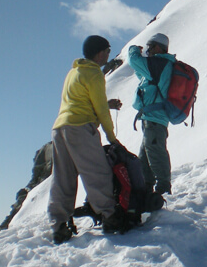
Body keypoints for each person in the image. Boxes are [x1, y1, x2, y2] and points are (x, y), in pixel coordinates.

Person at [48, 35, 125, 244]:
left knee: (63, 177)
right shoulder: (93, 73)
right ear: (100, 53)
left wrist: (106, 104)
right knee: (97, 171)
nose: (108, 55)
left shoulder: (73, 72)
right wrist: (111, 136)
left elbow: (80, 101)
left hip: (59, 128)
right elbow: (99, 109)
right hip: (81, 127)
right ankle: (109, 216)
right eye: (108, 52)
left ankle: (59, 225)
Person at [127, 33, 176, 205]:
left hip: (155, 118)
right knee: (145, 156)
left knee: (155, 151)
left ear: (157, 47)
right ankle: (145, 190)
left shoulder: (159, 63)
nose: (147, 50)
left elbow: (134, 62)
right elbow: (142, 75)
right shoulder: (159, 65)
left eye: (149, 46)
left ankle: (163, 188)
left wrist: (133, 50)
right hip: (153, 118)